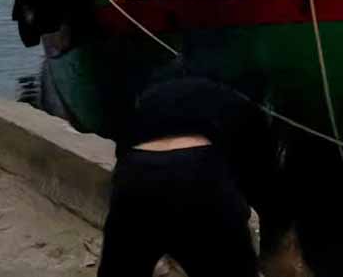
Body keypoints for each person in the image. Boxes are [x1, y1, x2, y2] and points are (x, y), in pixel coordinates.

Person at [96, 74, 306, 277]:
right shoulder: (244, 106)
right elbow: (269, 197)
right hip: (200, 176)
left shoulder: (158, 87)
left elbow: (124, 155)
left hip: (136, 174)